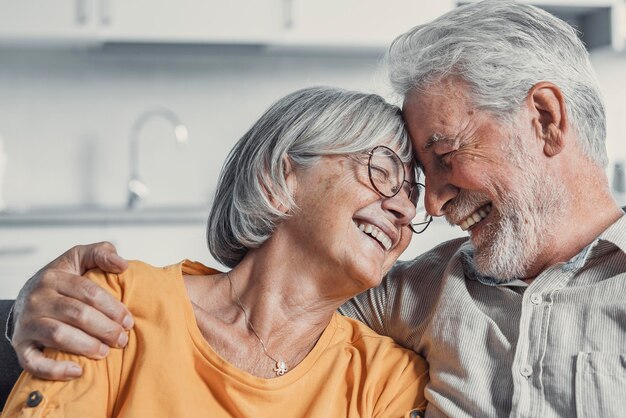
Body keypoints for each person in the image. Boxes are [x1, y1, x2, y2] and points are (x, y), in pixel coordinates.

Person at [6, 0, 626, 416]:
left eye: (441, 156)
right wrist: (38, 302)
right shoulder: (420, 291)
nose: (424, 206)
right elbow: (267, 295)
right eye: (391, 173)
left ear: (544, 120)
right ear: (280, 180)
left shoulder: (383, 358)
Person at [1, 87, 430, 417]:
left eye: (412, 196)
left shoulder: (386, 380)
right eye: (381, 171)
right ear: (278, 181)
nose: (405, 209)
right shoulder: (118, 304)